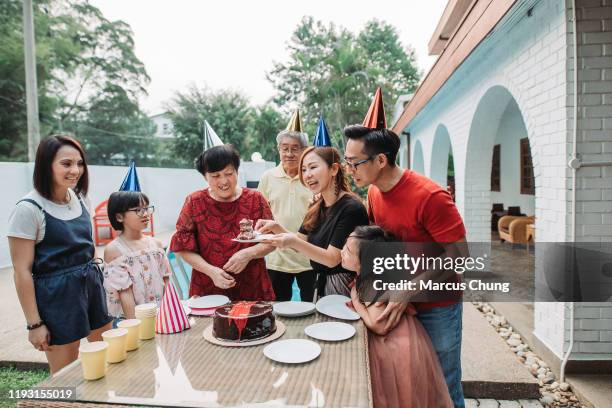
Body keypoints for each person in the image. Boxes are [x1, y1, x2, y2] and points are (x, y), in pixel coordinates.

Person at [344, 89, 467, 407]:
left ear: (381, 160)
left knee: (443, 383)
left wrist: (407, 290)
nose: (349, 170)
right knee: (412, 386)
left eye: (354, 163)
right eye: (346, 162)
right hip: (398, 305)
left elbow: (461, 256)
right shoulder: (373, 192)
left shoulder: (430, 197)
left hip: (436, 306)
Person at [7, 135, 112, 374]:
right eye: (66, 163)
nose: (75, 170)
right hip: (57, 300)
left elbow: (88, 247)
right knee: (66, 376)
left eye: (80, 163)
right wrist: (35, 324)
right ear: (46, 165)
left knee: (109, 361)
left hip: (91, 289)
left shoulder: (81, 198)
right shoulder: (28, 209)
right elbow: (21, 271)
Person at [341, 225, 453, 408]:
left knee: (398, 396)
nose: (342, 252)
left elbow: (378, 325)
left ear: (365, 263)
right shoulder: (373, 275)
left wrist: (355, 298)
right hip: (405, 338)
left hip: (396, 347)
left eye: (348, 251)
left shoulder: (373, 283)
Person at [257, 146, 369, 298]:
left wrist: (291, 241)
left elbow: (332, 259)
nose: (307, 175)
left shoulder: (351, 208)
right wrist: (276, 227)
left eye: (313, 167)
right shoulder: (317, 205)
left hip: (344, 288)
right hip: (321, 285)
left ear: (334, 169)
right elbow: (300, 240)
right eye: (303, 170)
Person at [170, 144, 275, 300]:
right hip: (208, 285)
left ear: (237, 171)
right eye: (215, 176)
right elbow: (182, 247)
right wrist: (211, 271)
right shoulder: (194, 202)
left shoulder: (255, 199)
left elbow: (272, 240)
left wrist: (248, 254)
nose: (224, 181)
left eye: (229, 173)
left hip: (253, 285)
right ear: (205, 176)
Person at [257, 119, 316, 301]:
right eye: (285, 148)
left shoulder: (312, 177)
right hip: (277, 258)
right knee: (278, 310)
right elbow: (260, 214)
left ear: (304, 150)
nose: (289, 154)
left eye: (295, 148)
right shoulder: (268, 177)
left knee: (313, 309)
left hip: (309, 257)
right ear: (279, 150)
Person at [103, 191, 170, 320]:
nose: (145, 214)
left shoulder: (156, 244)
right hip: (133, 320)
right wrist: (137, 329)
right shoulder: (115, 250)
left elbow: (166, 282)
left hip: (162, 316)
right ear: (119, 217)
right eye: (138, 210)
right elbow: (125, 293)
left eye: (146, 208)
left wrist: (170, 313)